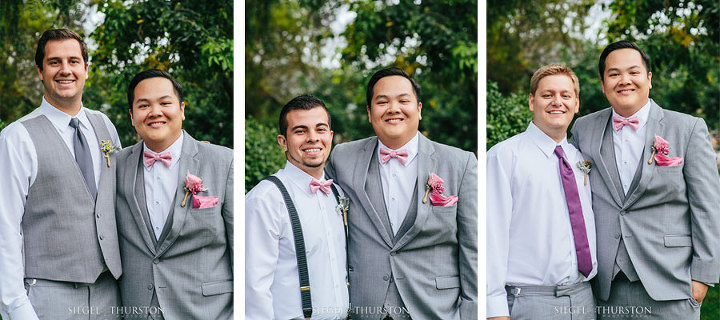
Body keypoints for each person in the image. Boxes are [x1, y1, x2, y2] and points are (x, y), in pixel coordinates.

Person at [570, 40, 720, 319]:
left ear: (649, 79)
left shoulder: (687, 128)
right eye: (614, 74)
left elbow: (707, 207)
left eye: (633, 72)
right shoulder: (583, 128)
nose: (624, 80)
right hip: (604, 287)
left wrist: (701, 279)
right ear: (603, 84)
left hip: (670, 283)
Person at [326, 68, 478, 319]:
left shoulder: (460, 164)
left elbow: (473, 249)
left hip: (435, 309)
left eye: (403, 101)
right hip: (365, 308)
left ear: (418, 109)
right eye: (382, 102)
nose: (393, 108)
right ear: (369, 113)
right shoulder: (342, 158)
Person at [0, 28, 122, 320]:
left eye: (73, 61)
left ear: (86, 69)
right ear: (40, 71)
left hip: (110, 294)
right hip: (48, 295)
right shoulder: (16, 137)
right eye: (54, 62)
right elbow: (5, 229)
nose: (65, 70)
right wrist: (17, 308)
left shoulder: (104, 125)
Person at [114, 69, 233, 319]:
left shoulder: (223, 162)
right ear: (132, 116)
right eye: (144, 105)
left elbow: (240, 251)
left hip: (207, 312)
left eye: (165, 103)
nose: (155, 112)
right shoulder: (116, 166)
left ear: (181, 109)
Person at [487, 64, 597, 320]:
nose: (557, 102)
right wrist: (494, 310)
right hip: (529, 301)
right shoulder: (504, 157)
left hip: (584, 298)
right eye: (547, 95)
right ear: (531, 101)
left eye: (565, 95)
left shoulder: (580, 158)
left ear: (576, 103)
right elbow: (492, 237)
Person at [245, 94, 350, 319]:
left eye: (320, 129)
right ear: (283, 141)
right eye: (300, 131)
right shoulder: (265, 200)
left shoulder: (337, 193)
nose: (313, 138)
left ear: (330, 136)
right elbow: (253, 289)